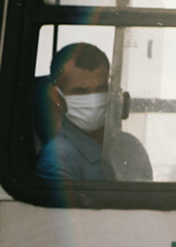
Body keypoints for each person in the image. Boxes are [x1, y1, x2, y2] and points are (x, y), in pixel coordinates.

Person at [37, 42, 117, 183]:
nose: (94, 101)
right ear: (57, 97)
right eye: (80, 91)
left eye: (101, 89)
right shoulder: (57, 158)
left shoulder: (129, 146)